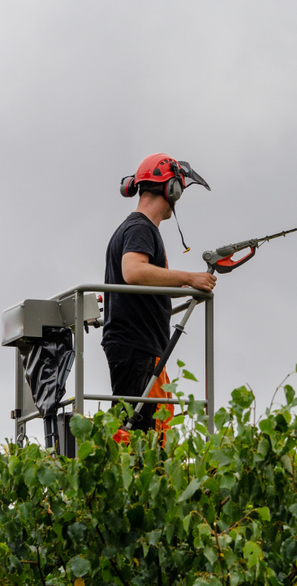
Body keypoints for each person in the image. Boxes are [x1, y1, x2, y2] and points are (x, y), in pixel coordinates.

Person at [101, 153, 216, 432]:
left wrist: (189, 285)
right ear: (170, 188)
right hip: (136, 346)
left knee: (148, 431)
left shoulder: (135, 228)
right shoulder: (141, 227)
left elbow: (147, 281)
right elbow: (133, 272)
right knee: (137, 436)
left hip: (139, 346)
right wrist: (188, 276)